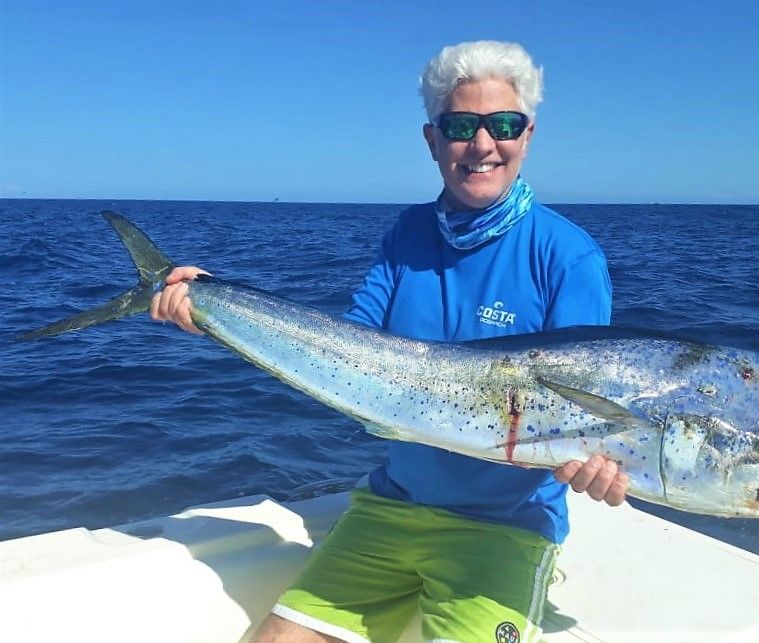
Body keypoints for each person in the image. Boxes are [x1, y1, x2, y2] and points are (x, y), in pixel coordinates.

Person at [152, 40, 628, 643]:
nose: (483, 145)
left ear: (527, 136)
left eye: (503, 125)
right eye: (460, 126)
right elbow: (347, 349)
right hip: (389, 507)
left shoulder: (567, 256)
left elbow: (587, 413)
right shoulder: (406, 232)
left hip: (505, 527)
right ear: (432, 140)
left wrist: (598, 466)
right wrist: (218, 307)